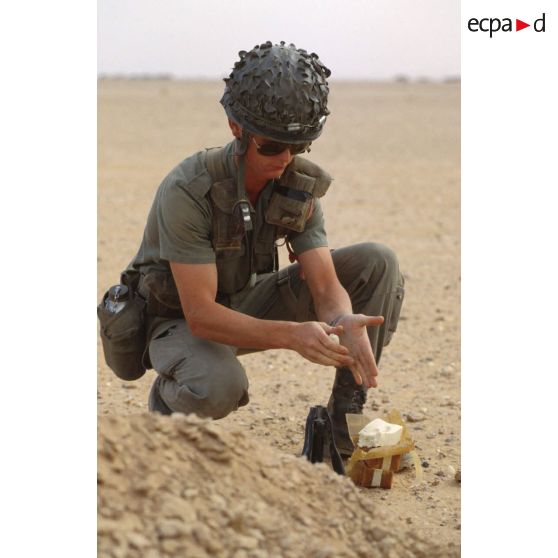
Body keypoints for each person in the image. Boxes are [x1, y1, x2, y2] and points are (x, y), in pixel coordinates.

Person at [119, 41, 405, 456]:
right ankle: (166, 421)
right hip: (177, 319)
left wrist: (345, 321)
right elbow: (200, 315)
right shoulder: (189, 189)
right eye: (270, 146)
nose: (284, 159)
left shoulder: (296, 185)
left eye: (299, 147)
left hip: (246, 301)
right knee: (218, 385)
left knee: (377, 261)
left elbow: (325, 287)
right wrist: (293, 336)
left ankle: (345, 423)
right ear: (237, 129)